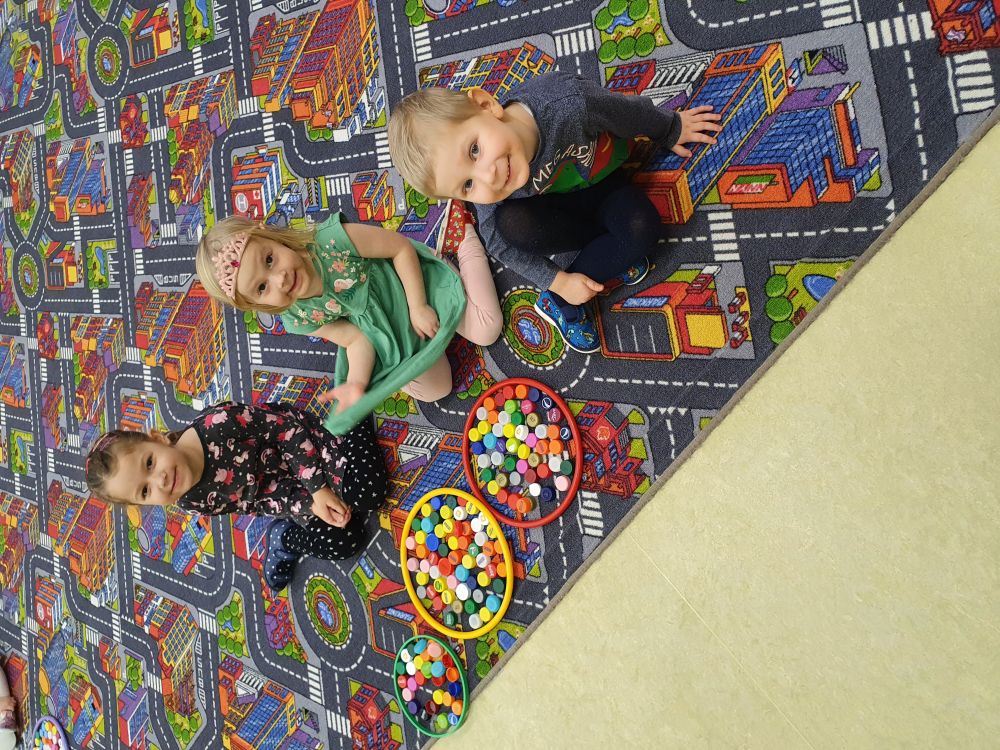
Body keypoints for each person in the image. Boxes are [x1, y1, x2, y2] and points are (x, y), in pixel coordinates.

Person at [387, 71, 723, 353]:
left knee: (642, 227)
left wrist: (669, 127)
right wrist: (559, 283)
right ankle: (563, 296)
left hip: (605, 182)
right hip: (559, 206)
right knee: (510, 225)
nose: (489, 176)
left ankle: (586, 271)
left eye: (475, 150)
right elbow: (497, 244)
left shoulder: (568, 104)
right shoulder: (491, 186)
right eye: (467, 186)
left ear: (487, 105)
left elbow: (624, 110)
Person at [195, 208, 502, 434]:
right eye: (262, 288)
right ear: (256, 304)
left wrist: (418, 305)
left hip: (414, 285)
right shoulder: (297, 317)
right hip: (387, 328)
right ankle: (402, 362)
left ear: (272, 237)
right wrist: (356, 383)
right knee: (438, 388)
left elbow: (400, 249)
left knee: (487, 328)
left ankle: (463, 240)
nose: (280, 279)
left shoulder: (331, 241)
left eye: (269, 259)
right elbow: (355, 340)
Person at [84, 401, 387, 591]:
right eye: (145, 491)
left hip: (305, 447)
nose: (160, 481)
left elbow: (287, 431)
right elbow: (258, 500)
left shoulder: (218, 424)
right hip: (290, 492)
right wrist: (309, 503)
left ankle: (353, 411)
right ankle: (284, 538)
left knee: (368, 493)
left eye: (150, 463)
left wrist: (318, 488)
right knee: (344, 541)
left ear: (157, 438)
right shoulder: (189, 501)